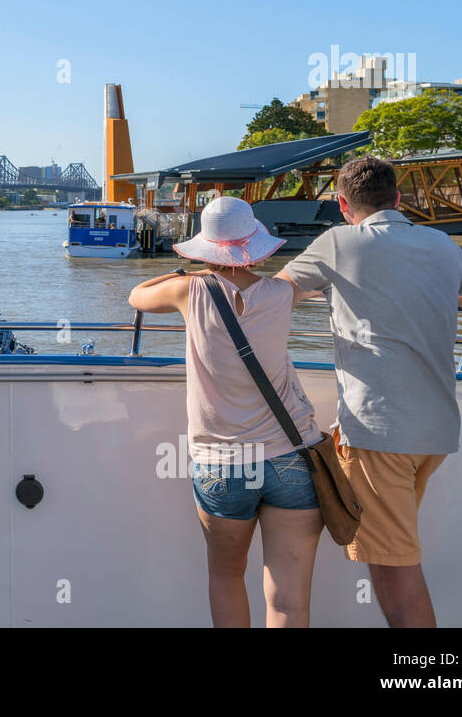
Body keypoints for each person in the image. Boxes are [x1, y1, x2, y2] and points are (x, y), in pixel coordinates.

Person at [275, 156, 462, 628]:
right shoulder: (438, 242)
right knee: (388, 554)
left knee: (395, 569)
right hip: (435, 431)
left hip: (381, 432)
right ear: (398, 198)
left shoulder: (338, 243)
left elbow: (275, 296)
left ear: (342, 205)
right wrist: (425, 291)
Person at [129, 196, 324, 628]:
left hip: (222, 464)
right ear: (256, 243)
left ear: (206, 249)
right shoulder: (281, 293)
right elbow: (320, 284)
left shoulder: (188, 290)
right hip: (289, 456)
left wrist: (188, 271)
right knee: (289, 598)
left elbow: (136, 295)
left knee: (225, 576)